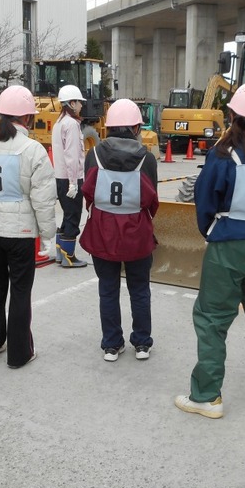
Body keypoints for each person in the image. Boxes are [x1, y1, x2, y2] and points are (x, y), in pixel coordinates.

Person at [175, 81, 245, 419]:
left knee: (212, 319)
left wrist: (210, 231)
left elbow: (204, 198)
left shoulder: (224, 155)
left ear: (235, 114)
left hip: (229, 244)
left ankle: (207, 395)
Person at [0, 85, 56, 369]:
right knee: (19, 291)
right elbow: (43, 200)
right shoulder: (33, 150)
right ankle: (19, 354)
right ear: (28, 118)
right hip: (20, 234)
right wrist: (48, 237)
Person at [80, 99, 159, 362]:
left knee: (107, 289)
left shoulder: (93, 156)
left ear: (109, 127)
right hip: (136, 232)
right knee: (139, 289)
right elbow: (152, 199)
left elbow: (88, 195)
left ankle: (112, 345)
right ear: (137, 127)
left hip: (103, 232)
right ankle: (142, 343)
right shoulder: (146, 158)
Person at [52, 84, 88, 268]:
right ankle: (69, 257)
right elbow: (72, 157)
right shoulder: (72, 125)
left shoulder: (58, 123)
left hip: (59, 178)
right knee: (73, 216)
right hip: (70, 178)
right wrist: (74, 183)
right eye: (79, 102)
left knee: (67, 214)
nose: (81, 105)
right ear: (71, 103)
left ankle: (60, 254)